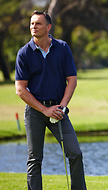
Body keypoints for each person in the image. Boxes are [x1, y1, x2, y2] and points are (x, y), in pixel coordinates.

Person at [15, 11, 87, 190]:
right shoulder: (24, 53)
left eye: (38, 23)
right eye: (31, 23)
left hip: (58, 110)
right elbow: (20, 90)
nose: (33, 27)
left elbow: (72, 80)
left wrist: (62, 106)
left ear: (48, 27)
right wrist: (44, 110)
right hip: (35, 112)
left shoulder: (62, 48)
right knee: (35, 158)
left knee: (75, 153)